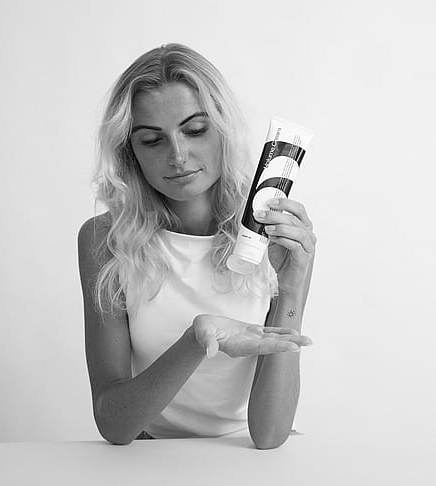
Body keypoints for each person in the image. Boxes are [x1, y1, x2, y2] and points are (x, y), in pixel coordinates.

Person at [77, 43, 316, 449]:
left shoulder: (270, 233)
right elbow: (114, 424)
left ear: (222, 129)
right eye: (152, 140)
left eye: (195, 130)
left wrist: (291, 289)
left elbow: (269, 435)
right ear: (130, 152)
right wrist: (198, 339)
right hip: (153, 458)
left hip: (245, 455)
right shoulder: (106, 240)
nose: (178, 155)